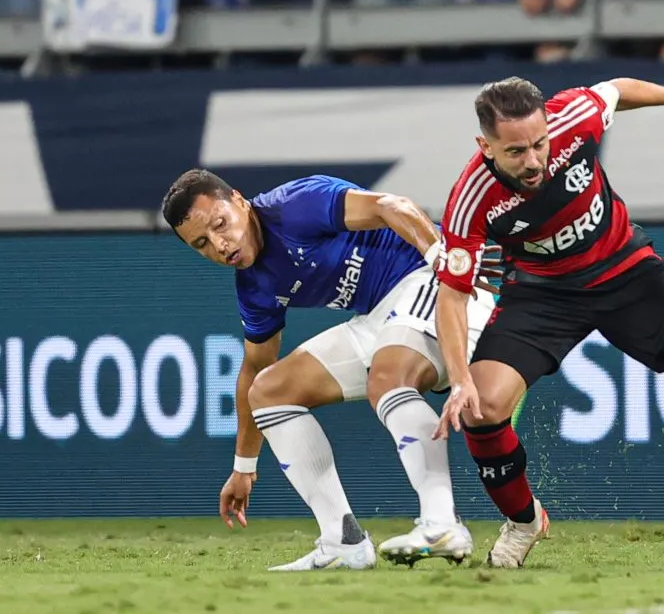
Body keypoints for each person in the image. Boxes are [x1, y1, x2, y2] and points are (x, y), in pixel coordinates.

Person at [430, 72, 664, 568]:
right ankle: (524, 522)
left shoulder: (574, 116)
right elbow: (451, 296)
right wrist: (460, 380)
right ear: (485, 145)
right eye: (515, 152)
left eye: (539, 144)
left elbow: (614, 89)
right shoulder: (470, 198)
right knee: (480, 409)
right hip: (543, 294)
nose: (533, 161)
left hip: (626, 269)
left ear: (550, 124)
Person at [161, 170, 498, 571]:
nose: (220, 244)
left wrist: (444, 262)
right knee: (270, 391)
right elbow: (254, 369)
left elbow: (392, 207)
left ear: (239, 200)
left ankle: (442, 523)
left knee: (387, 378)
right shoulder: (254, 287)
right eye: (202, 244)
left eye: (220, 224)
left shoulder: (294, 206)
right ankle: (343, 543)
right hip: (379, 317)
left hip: (433, 281)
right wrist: (243, 467)